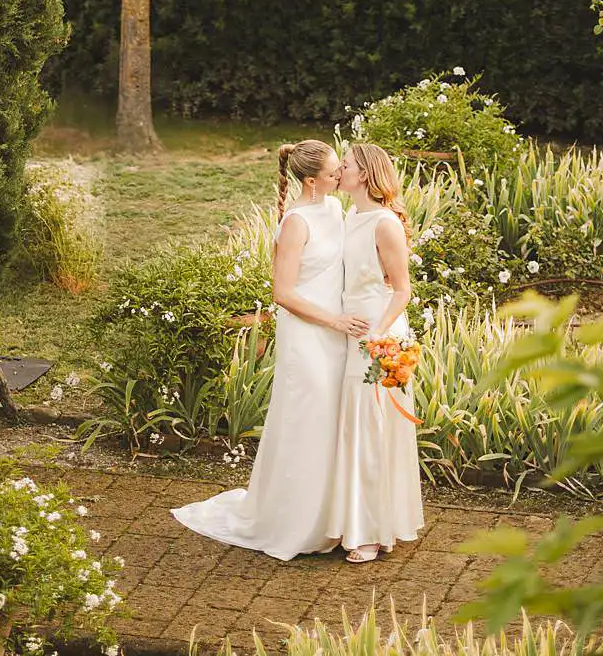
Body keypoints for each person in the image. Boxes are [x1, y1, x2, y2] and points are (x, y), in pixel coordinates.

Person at [171, 139, 368, 560]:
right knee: (308, 420)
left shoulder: (334, 209)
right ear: (311, 182)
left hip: (339, 329)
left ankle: (335, 517)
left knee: (333, 421)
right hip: (309, 333)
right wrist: (333, 320)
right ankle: (297, 521)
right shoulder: (296, 223)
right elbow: (283, 294)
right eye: (335, 172)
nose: (341, 176)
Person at [326, 139, 425, 563]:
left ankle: (371, 531)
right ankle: (359, 522)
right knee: (356, 430)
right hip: (350, 331)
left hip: (379, 335)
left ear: (363, 174)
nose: (338, 171)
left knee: (374, 430)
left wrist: (379, 337)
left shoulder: (385, 223)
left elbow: (402, 289)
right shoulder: (350, 216)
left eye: (344, 165)